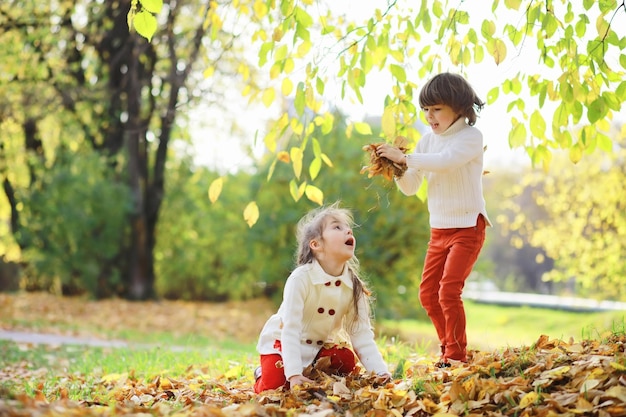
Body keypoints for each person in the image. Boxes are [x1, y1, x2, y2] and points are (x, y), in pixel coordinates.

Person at [375, 72, 491, 367]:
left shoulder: (470, 138)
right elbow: (412, 186)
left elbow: (446, 162)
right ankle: (447, 348)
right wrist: (397, 167)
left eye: (436, 109)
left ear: (459, 107)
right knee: (428, 294)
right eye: (425, 110)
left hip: (467, 227)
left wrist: (405, 159)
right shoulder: (427, 142)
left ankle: (456, 355)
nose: (429, 116)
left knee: (449, 290)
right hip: (439, 230)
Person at [254, 203, 392, 393]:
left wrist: (380, 372)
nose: (348, 230)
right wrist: (293, 374)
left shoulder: (354, 286)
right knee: (275, 388)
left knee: (346, 360)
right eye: (337, 227)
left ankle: (309, 374)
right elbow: (290, 329)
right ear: (316, 244)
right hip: (283, 344)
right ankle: (261, 374)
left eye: (347, 227)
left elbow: (361, 334)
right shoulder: (300, 278)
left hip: (316, 349)